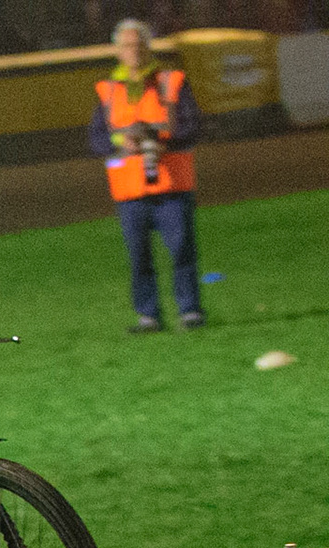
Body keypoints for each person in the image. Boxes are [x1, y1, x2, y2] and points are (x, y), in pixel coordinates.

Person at [89, 18, 204, 333]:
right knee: (139, 258)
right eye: (127, 46)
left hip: (171, 185)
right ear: (118, 51)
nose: (134, 51)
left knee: (181, 250)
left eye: (139, 45)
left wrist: (160, 139)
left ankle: (190, 311)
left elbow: (193, 127)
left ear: (148, 47)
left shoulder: (172, 81)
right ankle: (149, 315)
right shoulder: (107, 90)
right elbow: (96, 139)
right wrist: (121, 144)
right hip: (129, 191)